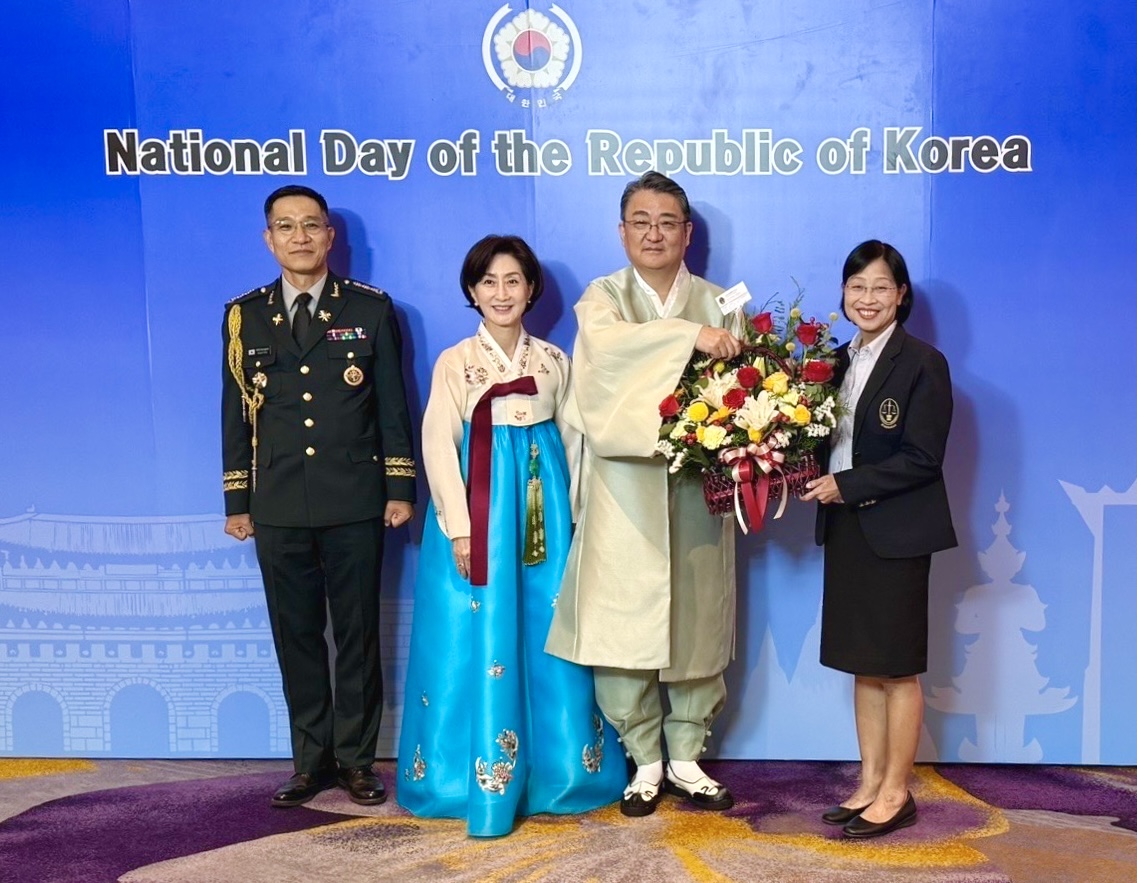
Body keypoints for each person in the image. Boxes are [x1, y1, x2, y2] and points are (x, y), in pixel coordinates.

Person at [396, 235, 626, 837]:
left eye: (513, 281)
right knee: (473, 635)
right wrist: (459, 527)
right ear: (472, 292)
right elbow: (437, 446)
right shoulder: (455, 362)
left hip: (541, 508)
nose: (502, 293)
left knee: (550, 630)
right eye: (489, 282)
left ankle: (560, 773)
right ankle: (463, 777)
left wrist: (574, 516)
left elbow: (574, 442)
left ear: (531, 290)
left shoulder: (552, 360)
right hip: (481, 511)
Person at [545, 171, 744, 817]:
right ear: (622, 231)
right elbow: (604, 358)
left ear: (687, 233)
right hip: (622, 489)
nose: (653, 233)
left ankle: (686, 755)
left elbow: (746, 388)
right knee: (622, 618)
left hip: (696, 488)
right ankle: (644, 760)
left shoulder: (720, 300)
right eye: (640, 221)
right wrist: (689, 336)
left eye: (666, 222)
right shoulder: (602, 298)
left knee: (698, 616)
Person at [221, 184, 416, 808]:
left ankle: (356, 761)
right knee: (296, 635)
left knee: (357, 635)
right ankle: (310, 762)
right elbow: (235, 416)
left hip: (355, 499)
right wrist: (238, 501)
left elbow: (392, 407)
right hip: (277, 503)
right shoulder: (243, 317)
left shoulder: (370, 309)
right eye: (286, 226)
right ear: (268, 239)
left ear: (330, 237)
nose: (299, 237)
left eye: (311, 225)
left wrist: (399, 487)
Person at [801, 239, 956, 839]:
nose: (867, 298)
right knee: (862, 667)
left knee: (895, 669)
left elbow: (923, 458)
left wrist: (847, 485)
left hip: (896, 532)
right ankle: (868, 783)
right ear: (844, 293)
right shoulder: (832, 363)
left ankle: (896, 792)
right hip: (846, 528)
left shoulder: (923, 363)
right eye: (857, 286)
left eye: (880, 287)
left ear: (901, 295)